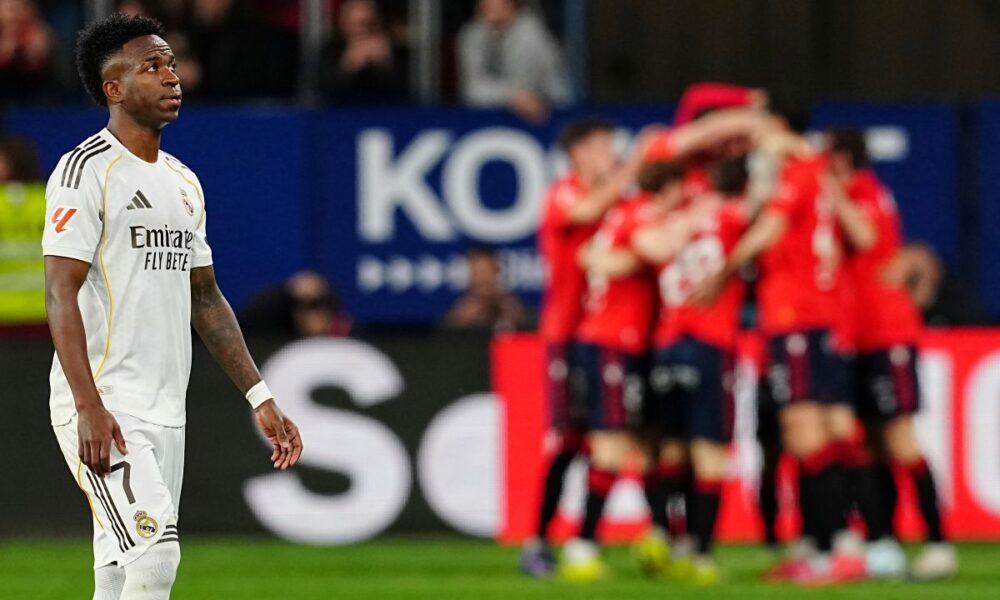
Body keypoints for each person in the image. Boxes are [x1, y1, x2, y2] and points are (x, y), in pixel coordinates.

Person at [43, 14, 302, 599]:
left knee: (116, 571)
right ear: (113, 89)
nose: (171, 77)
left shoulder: (184, 183)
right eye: (152, 66)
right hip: (105, 404)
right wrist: (87, 404)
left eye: (172, 64)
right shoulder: (84, 171)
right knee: (157, 557)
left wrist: (259, 395)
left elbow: (205, 298)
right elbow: (60, 292)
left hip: (167, 409)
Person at [691, 104, 866, 585]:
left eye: (758, 127)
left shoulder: (798, 170)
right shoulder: (812, 169)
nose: (750, 138)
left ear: (778, 127)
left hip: (798, 317)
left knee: (806, 435)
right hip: (812, 316)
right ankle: (825, 546)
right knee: (823, 430)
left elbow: (769, 229)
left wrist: (723, 273)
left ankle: (836, 551)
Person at [825, 128, 957, 580]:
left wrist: (830, 192)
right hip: (855, 337)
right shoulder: (846, 199)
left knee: (900, 441)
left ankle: (939, 543)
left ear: (842, 160)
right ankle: (885, 541)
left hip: (887, 335)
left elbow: (864, 238)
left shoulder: (867, 194)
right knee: (868, 443)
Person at [519, 117, 639, 577]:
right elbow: (586, 213)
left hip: (609, 334)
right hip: (567, 334)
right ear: (580, 153)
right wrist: (633, 169)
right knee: (571, 438)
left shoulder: (618, 201)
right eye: (605, 145)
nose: (613, 153)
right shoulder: (564, 193)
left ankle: (586, 541)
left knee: (607, 437)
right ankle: (539, 542)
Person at [556, 161, 681, 583]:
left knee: (646, 445)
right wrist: (695, 224)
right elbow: (655, 249)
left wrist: (606, 259)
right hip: (612, 342)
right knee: (610, 447)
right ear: (669, 190)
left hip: (630, 343)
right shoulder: (643, 212)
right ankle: (582, 547)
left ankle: (660, 536)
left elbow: (596, 256)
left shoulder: (621, 213)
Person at [631, 161, 751, 585]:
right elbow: (760, 221)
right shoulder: (728, 216)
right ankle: (699, 554)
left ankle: (664, 533)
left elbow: (650, 249)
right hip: (711, 340)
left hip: (666, 340)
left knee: (669, 451)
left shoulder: (665, 221)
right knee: (709, 455)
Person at [457, 0, 571, 123]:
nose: (488, 7)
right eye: (484, 3)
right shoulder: (471, 34)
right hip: (491, 115)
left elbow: (529, 88)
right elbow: (473, 90)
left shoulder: (531, 33)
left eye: (495, 3)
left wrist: (514, 96)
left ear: (511, 4)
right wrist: (510, 95)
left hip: (547, 111)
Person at [320, 0, 408, 104]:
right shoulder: (330, 51)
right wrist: (347, 67)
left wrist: (387, 64)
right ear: (343, 25)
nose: (362, 31)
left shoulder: (395, 50)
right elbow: (321, 95)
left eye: (369, 24)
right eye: (355, 25)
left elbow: (409, 95)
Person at [239, 270, 352, 338]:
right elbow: (247, 321)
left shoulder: (340, 337)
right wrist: (285, 291)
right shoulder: (273, 328)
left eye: (315, 306)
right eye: (305, 307)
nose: (313, 317)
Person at [445, 246, 526, 331]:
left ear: (497, 269)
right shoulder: (460, 310)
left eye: (484, 269)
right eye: (475, 269)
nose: (480, 275)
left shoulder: (511, 306)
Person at [0, 0, 58, 99]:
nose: (15, 15)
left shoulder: (35, 33)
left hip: (30, 97)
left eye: (20, 8)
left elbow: (38, 65)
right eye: (11, 9)